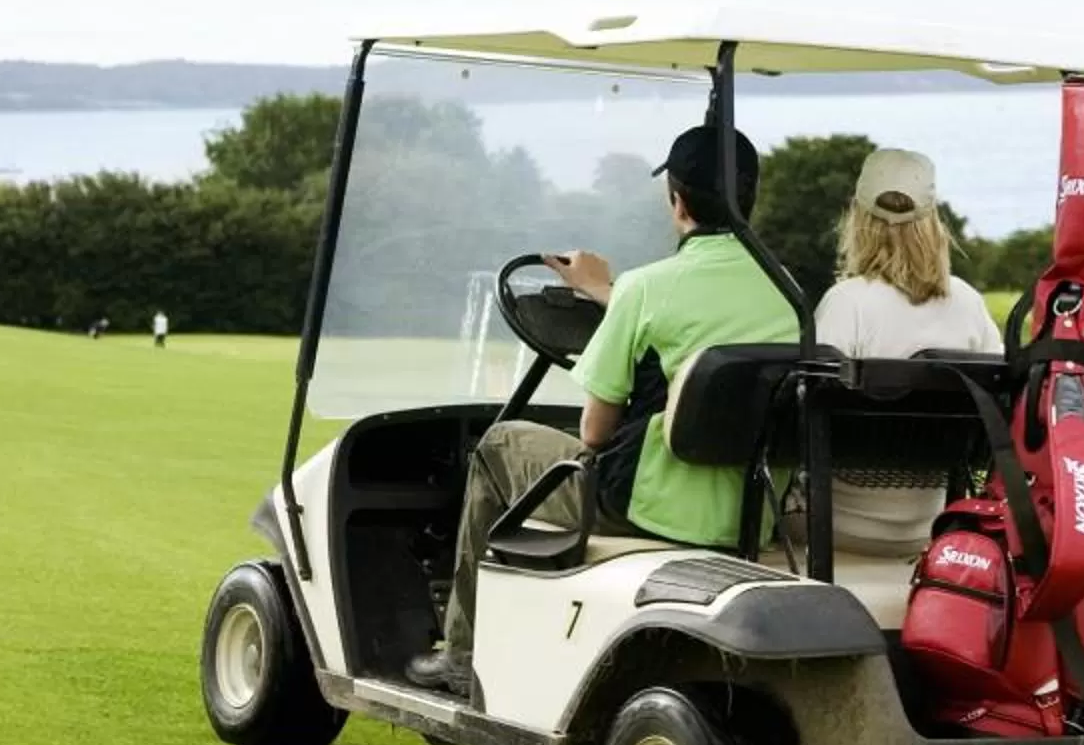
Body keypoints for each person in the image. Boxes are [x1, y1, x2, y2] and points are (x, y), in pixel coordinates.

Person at [407, 123, 797, 695]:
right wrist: (606, 293)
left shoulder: (645, 289)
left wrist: (612, 294)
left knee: (497, 447)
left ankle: (464, 653)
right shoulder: (788, 292)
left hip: (645, 506)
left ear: (677, 200)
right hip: (746, 513)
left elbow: (593, 432)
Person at [808, 147, 1005, 553]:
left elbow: (805, 420)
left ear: (858, 219)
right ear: (932, 222)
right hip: (937, 525)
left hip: (838, 522)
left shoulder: (846, 302)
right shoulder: (968, 304)